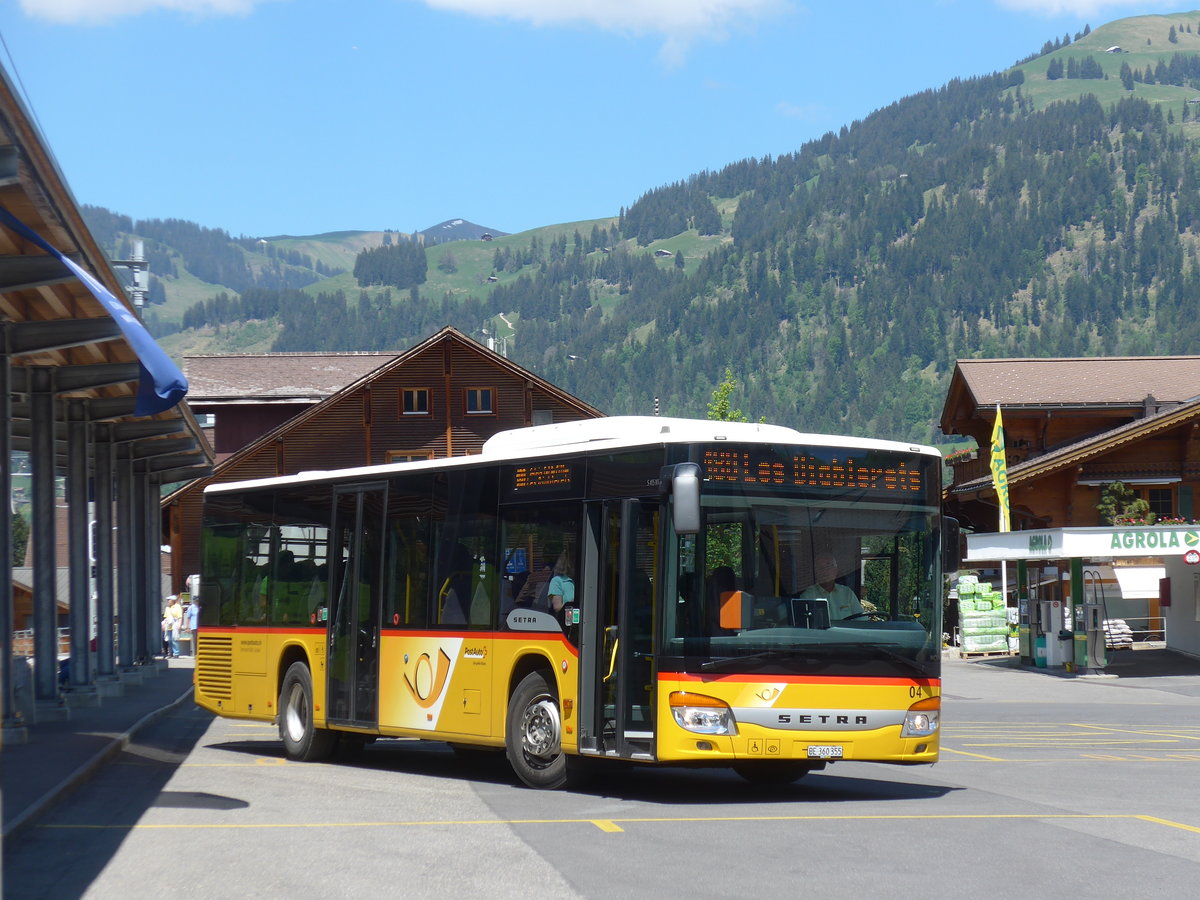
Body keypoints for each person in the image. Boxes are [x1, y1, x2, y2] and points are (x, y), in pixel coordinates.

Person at [799, 554, 863, 620]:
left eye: (828, 566)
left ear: (835, 570)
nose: (825, 571)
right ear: (816, 573)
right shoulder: (807, 596)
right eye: (821, 568)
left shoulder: (847, 593)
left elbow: (862, 620)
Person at [547, 551, 576, 623]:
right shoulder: (557, 581)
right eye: (573, 559)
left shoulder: (578, 580)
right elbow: (557, 607)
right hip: (564, 622)